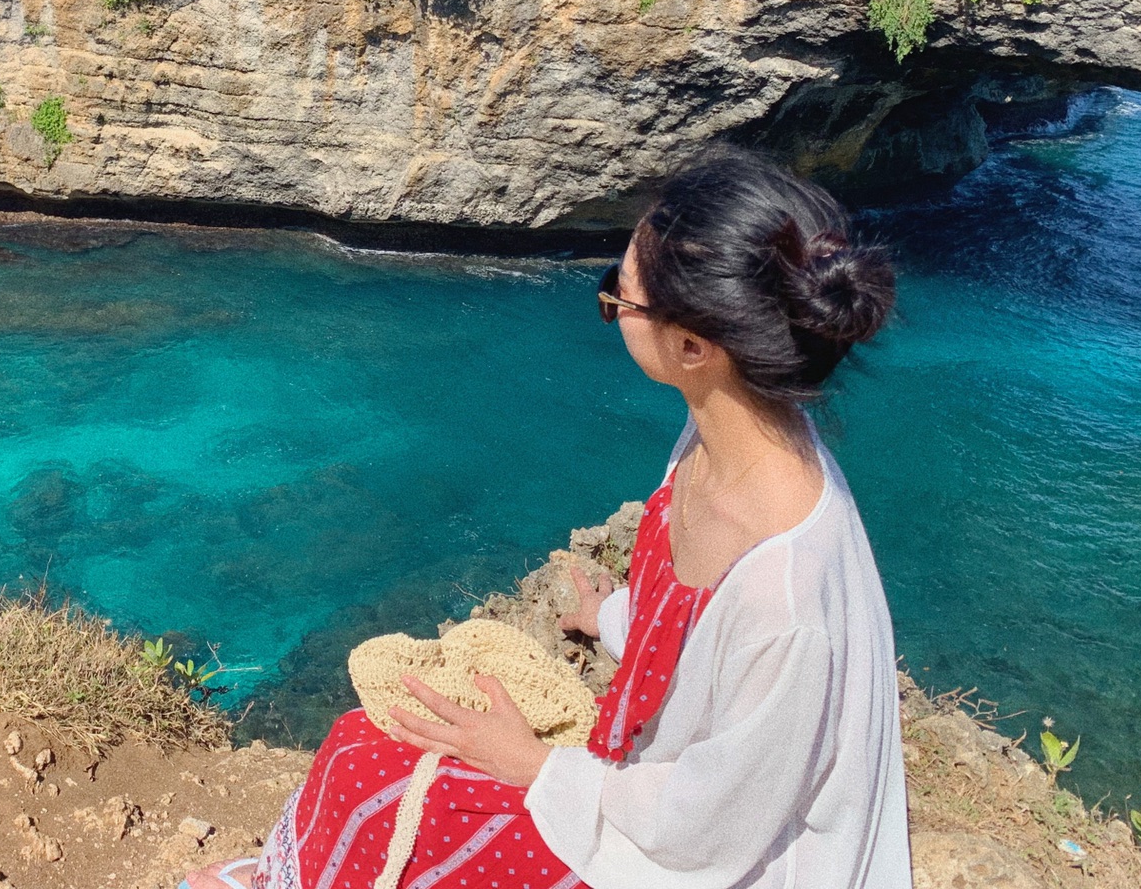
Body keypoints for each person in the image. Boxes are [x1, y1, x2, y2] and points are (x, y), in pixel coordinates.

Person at [188, 146, 911, 889]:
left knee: (388, 777)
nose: (609, 310)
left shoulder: (784, 595)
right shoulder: (728, 434)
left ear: (695, 346)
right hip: (648, 788)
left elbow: (716, 826)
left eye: (616, 297)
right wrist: (617, 618)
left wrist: (532, 764)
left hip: (708, 858)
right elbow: (697, 640)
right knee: (365, 740)